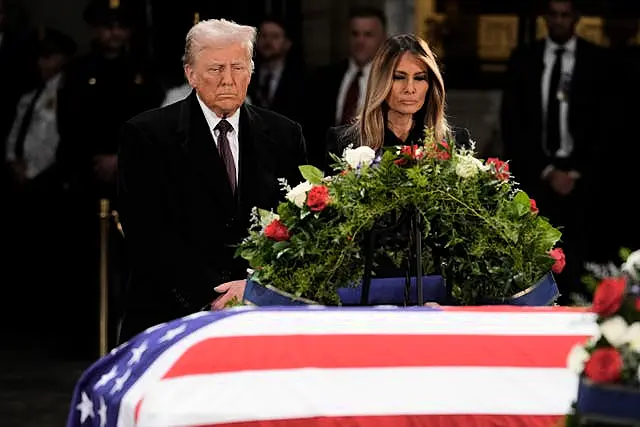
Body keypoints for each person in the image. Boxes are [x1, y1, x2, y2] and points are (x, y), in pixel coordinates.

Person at [117, 18, 307, 340]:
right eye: (216, 69)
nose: (228, 81)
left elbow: (299, 227)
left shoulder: (285, 134)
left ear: (251, 71)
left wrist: (254, 289)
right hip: (173, 316)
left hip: (261, 313)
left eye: (238, 67)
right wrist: (214, 294)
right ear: (191, 74)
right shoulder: (147, 135)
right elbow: (147, 233)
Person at [500, 0, 605, 303]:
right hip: (537, 173)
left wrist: (575, 172)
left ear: (575, 18)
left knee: (582, 257)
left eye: (565, 15)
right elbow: (513, 123)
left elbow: (608, 124)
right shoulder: (524, 59)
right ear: (545, 18)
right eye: (553, 15)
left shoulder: (597, 62)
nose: (559, 21)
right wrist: (546, 171)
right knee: (537, 256)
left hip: (583, 178)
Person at [325, 33, 470, 164]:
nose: (409, 88)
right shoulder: (344, 142)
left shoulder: (455, 143)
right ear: (381, 81)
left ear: (431, 84)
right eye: (399, 77)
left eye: (419, 78)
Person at [305, 6, 387, 169]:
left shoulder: (389, 80)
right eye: (355, 34)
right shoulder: (323, 78)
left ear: (383, 38)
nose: (360, 41)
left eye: (368, 35)